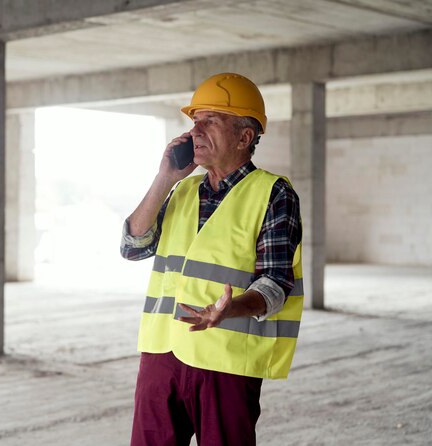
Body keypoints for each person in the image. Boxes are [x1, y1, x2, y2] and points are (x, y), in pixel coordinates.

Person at [121, 72, 303, 446]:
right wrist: (163, 179)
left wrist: (229, 308)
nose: (195, 131)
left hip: (226, 360)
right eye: (194, 121)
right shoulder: (181, 189)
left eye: (210, 121)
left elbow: (275, 284)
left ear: (244, 136)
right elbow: (133, 246)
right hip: (162, 353)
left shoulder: (273, 192)